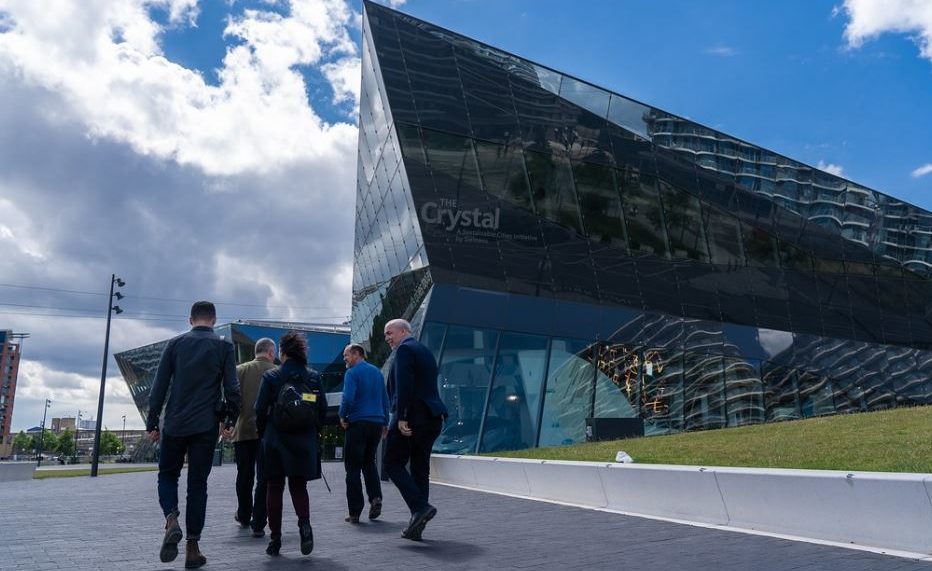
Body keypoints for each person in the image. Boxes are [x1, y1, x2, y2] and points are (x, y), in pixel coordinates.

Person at [147, 301, 241, 569]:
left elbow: (159, 386)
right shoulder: (223, 346)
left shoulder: (175, 345)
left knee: (167, 474)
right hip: (205, 425)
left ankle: (171, 519)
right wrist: (229, 420)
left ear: (190, 320)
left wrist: (153, 423)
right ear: (213, 319)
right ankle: (192, 547)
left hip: (175, 423)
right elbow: (232, 388)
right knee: (198, 484)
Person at [254, 331, 327, 557]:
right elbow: (321, 408)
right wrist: (312, 429)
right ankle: (305, 526)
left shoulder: (272, 376)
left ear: (282, 353)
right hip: (303, 439)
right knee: (299, 487)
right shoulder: (313, 377)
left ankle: (275, 539)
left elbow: (259, 409)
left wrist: (263, 431)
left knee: (274, 488)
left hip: (275, 439)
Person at [382, 318, 448, 541]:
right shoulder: (425, 351)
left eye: (389, 333)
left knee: (392, 463)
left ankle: (420, 508)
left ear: (403, 331)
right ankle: (417, 523)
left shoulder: (404, 350)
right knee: (420, 469)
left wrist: (401, 417)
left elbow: (404, 385)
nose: (387, 338)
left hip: (413, 418)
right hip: (433, 417)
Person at [338, 343, 389, 524]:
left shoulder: (352, 373)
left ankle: (354, 512)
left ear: (357, 354)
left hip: (358, 422)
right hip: (376, 423)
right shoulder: (376, 372)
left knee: (352, 468)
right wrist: (385, 422)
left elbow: (348, 397)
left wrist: (342, 415)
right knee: (369, 462)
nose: (345, 358)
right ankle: (376, 498)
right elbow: (385, 397)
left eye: (347, 355)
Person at [231, 337, 277, 537]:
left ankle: (243, 514)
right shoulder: (276, 372)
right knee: (264, 477)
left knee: (244, 475)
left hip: (243, 431)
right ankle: (259, 520)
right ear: (270, 352)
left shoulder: (239, 370)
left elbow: (231, 399)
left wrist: (227, 424)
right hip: (268, 433)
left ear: (256, 351)